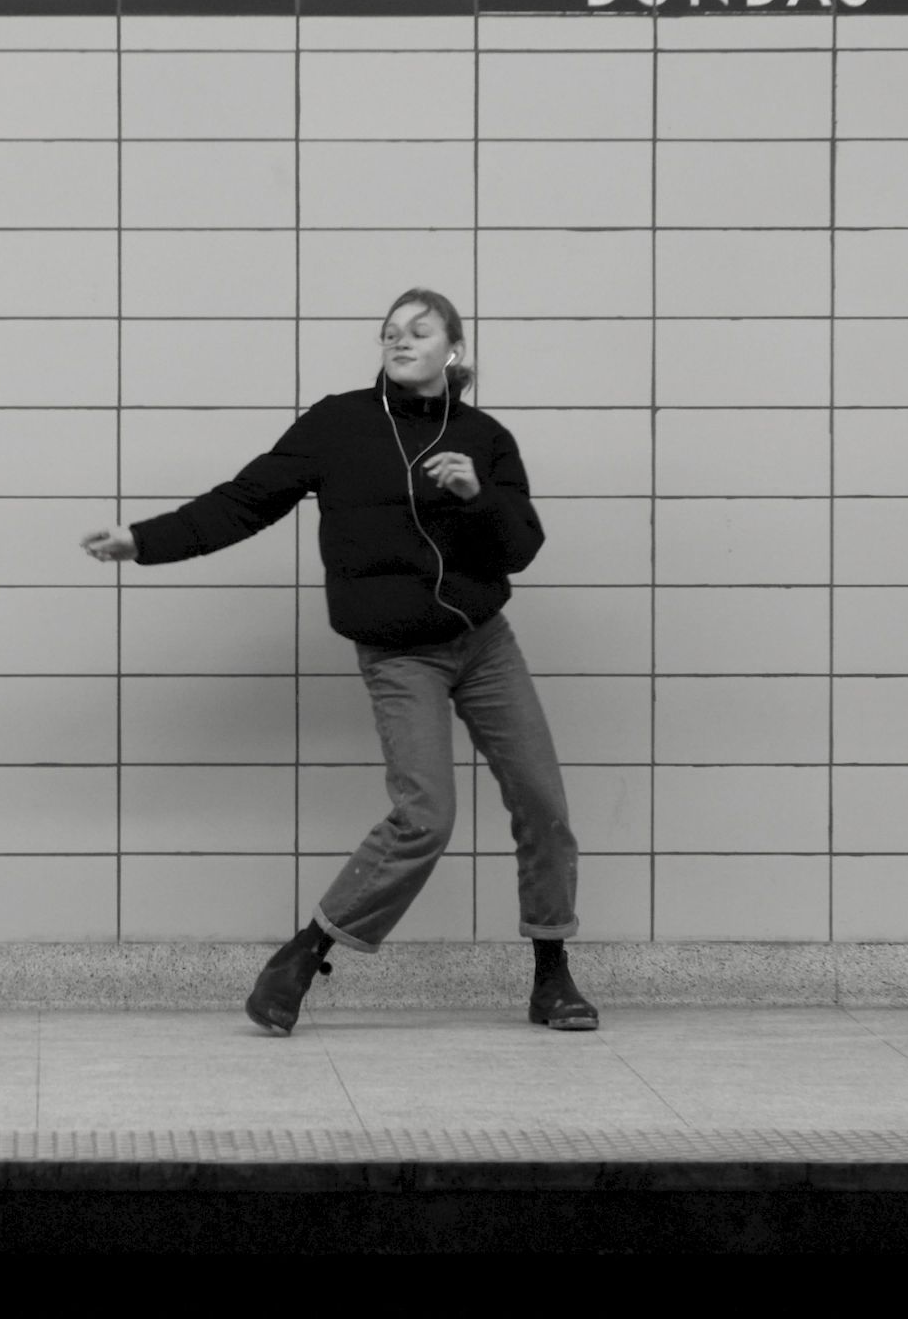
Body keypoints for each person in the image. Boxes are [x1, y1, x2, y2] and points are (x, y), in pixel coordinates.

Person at [83, 288, 597, 1036]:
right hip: (399, 653)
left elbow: (523, 545)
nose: (399, 340)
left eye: (419, 331)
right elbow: (244, 499)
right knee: (427, 817)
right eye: (390, 332)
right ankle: (303, 954)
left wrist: (475, 495)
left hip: (485, 646)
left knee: (544, 804)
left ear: (453, 349)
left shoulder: (485, 438)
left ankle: (552, 976)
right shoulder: (339, 423)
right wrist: (145, 541)